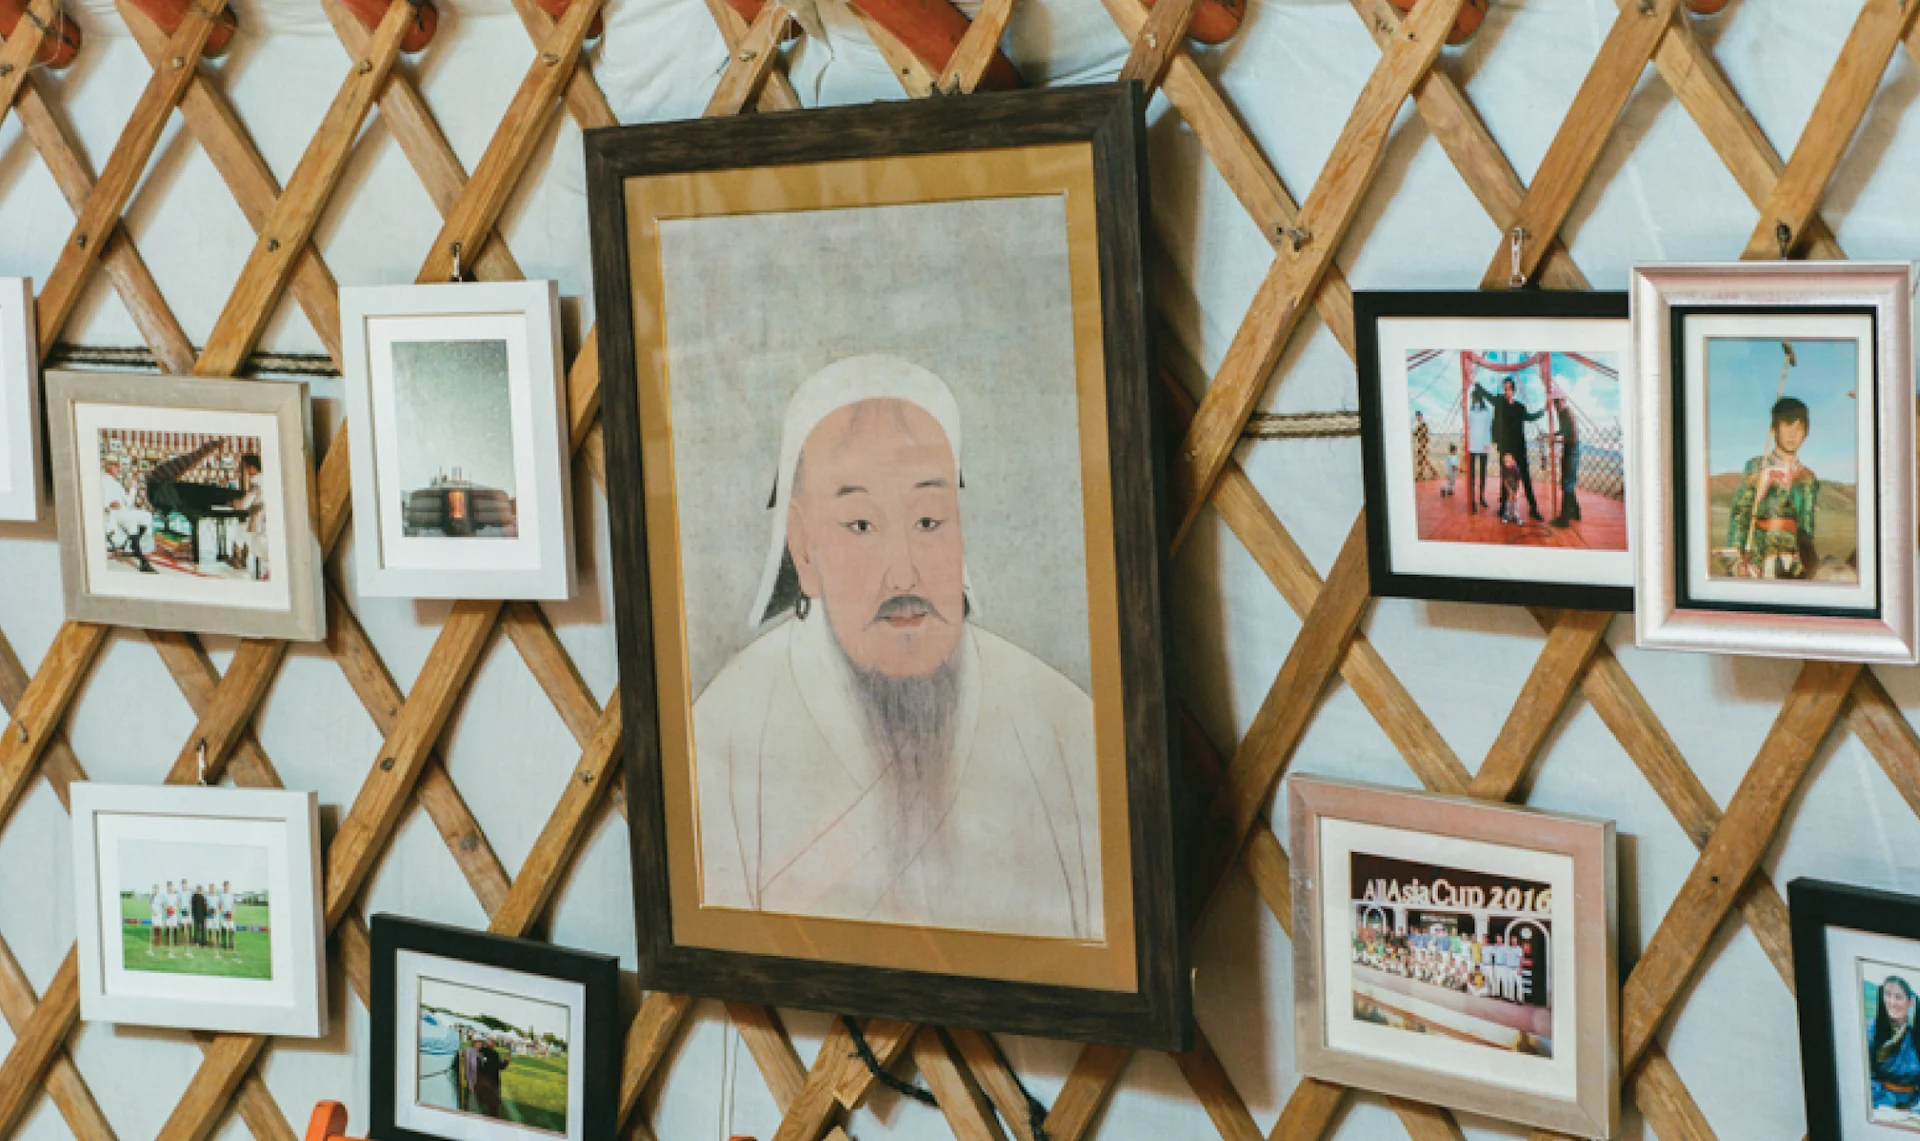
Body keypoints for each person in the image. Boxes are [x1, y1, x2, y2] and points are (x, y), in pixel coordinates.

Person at [692, 356, 1102, 940]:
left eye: (930, 521)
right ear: (803, 550)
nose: (903, 573)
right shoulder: (723, 737)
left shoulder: (1060, 725)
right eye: (861, 525)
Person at [1724, 397, 1819, 580]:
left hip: (1792, 565)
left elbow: (1807, 528)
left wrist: (1803, 562)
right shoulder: (1757, 467)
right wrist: (1737, 562)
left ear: (1806, 433)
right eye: (1786, 426)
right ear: (1774, 429)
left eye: (1799, 428)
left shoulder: (1808, 478)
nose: (1792, 435)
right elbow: (1740, 514)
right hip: (1757, 561)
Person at [1491, 377, 1546, 522]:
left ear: (1513, 391)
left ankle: (1533, 508)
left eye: (1509, 388)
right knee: (1505, 478)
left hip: (1519, 449)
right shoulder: (1500, 404)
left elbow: (1530, 417)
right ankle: (1503, 507)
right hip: (1506, 450)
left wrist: (1543, 411)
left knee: (1526, 479)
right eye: (1505, 388)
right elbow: (1489, 397)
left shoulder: (1520, 408)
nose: (1507, 391)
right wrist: (1474, 384)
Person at [1872, 976, 1920, 1116]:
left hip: (1913, 1107)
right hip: (1879, 1105)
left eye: (1898, 997)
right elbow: (1864, 1076)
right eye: (1887, 995)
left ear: (1910, 1002)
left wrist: (1914, 1110)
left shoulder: (1916, 1036)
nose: (1891, 1002)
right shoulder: (1872, 1032)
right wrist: (1889, 1106)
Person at [100, 454, 156, 573]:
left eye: (118, 466)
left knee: (147, 516)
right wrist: (108, 504)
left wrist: (133, 487)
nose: (118, 469)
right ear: (109, 467)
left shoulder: (117, 483)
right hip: (113, 513)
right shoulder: (102, 480)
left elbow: (129, 502)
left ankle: (134, 544)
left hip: (124, 510)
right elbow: (97, 498)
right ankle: (142, 561)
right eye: (116, 466)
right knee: (131, 521)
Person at [1550, 387, 1580, 527]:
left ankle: (1564, 519)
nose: (1556, 405)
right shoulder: (1561, 414)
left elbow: (1573, 438)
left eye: (1558, 401)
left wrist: (1557, 440)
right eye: (1554, 402)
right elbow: (1563, 431)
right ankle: (1576, 511)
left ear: (1564, 401)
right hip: (1567, 451)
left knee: (1567, 484)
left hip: (1572, 451)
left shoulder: (1569, 414)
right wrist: (1554, 435)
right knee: (1567, 483)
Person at [1467, 388, 1493, 512]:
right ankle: (1474, 500)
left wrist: (1487, 443)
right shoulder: (1471, 411)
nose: (1473, 399)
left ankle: (1480, 498)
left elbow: (1488, 428)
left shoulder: (1485, 412)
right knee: (1474, 474)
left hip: (1481, 445)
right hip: (1474, 445)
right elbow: (1468, 427)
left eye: (1474, 397)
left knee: (1481, 473)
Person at [473, 1037, 510, 1119]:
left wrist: (506, 1061)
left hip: (486, 1081)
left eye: (492, 1042)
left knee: (485, 1102)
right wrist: (506, 1061)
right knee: (492, 1104)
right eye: (490, 1041)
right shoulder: (485, 1052)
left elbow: (500, 1066)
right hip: (488, 1082)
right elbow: (500, 1066)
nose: (491, 1043)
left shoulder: (493, 1054)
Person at [1498, 454, 1522, 525]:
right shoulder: (1504, 469)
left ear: (1513, 461)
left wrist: (1515, 491)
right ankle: (1507, 515)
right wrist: (1509, 491)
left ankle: (1516, 516)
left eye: (1509, 461)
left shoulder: (1516, 469)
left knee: (1516, 500)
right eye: (1505, 462)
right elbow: (1505, 481)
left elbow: (1518, 481)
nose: (1507, 463)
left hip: (1516, 486)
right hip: (1509, 486)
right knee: (1509, 500)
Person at [1413, 411, 1436, 481]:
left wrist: (1418, 433)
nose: (1417, 417)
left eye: (1418, 416)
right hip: (1420, 445)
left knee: (1424, 460)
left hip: (1423, 445)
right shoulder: (1419, 425)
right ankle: (1421, 475)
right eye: (1417, 416)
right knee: (1421, 461)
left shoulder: (1423, 425)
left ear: (1421, 416)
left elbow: (1422, 435)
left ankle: (1433, 473)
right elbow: (1415, 434)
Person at [217, 881, 235, 951]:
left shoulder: (231, 895)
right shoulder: (221, 895)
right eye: (225, 886)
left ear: (229, 886)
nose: (226, 887)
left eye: (227, 886)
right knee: (224, 930)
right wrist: (223, 912)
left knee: (231, 930)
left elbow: (233, 905)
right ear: (223, 887)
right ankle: (224, 944)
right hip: (224, 915)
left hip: (230, 914)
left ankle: (231, 944)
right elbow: (219, 906)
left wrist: (232, 913)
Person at [147, 885, 164, 955]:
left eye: (156, 889)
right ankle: (155, 942)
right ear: (153, 890)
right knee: (154, 928)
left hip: (159, 914)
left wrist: (159, 911)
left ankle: (159, 943)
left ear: (158, 890)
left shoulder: (160, 897)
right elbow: (150, 905)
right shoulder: (151, 897)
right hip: (154, 914)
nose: (155, 890)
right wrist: (153, 911)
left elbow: (162, 905)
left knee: (159, 928)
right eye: (154, 889)